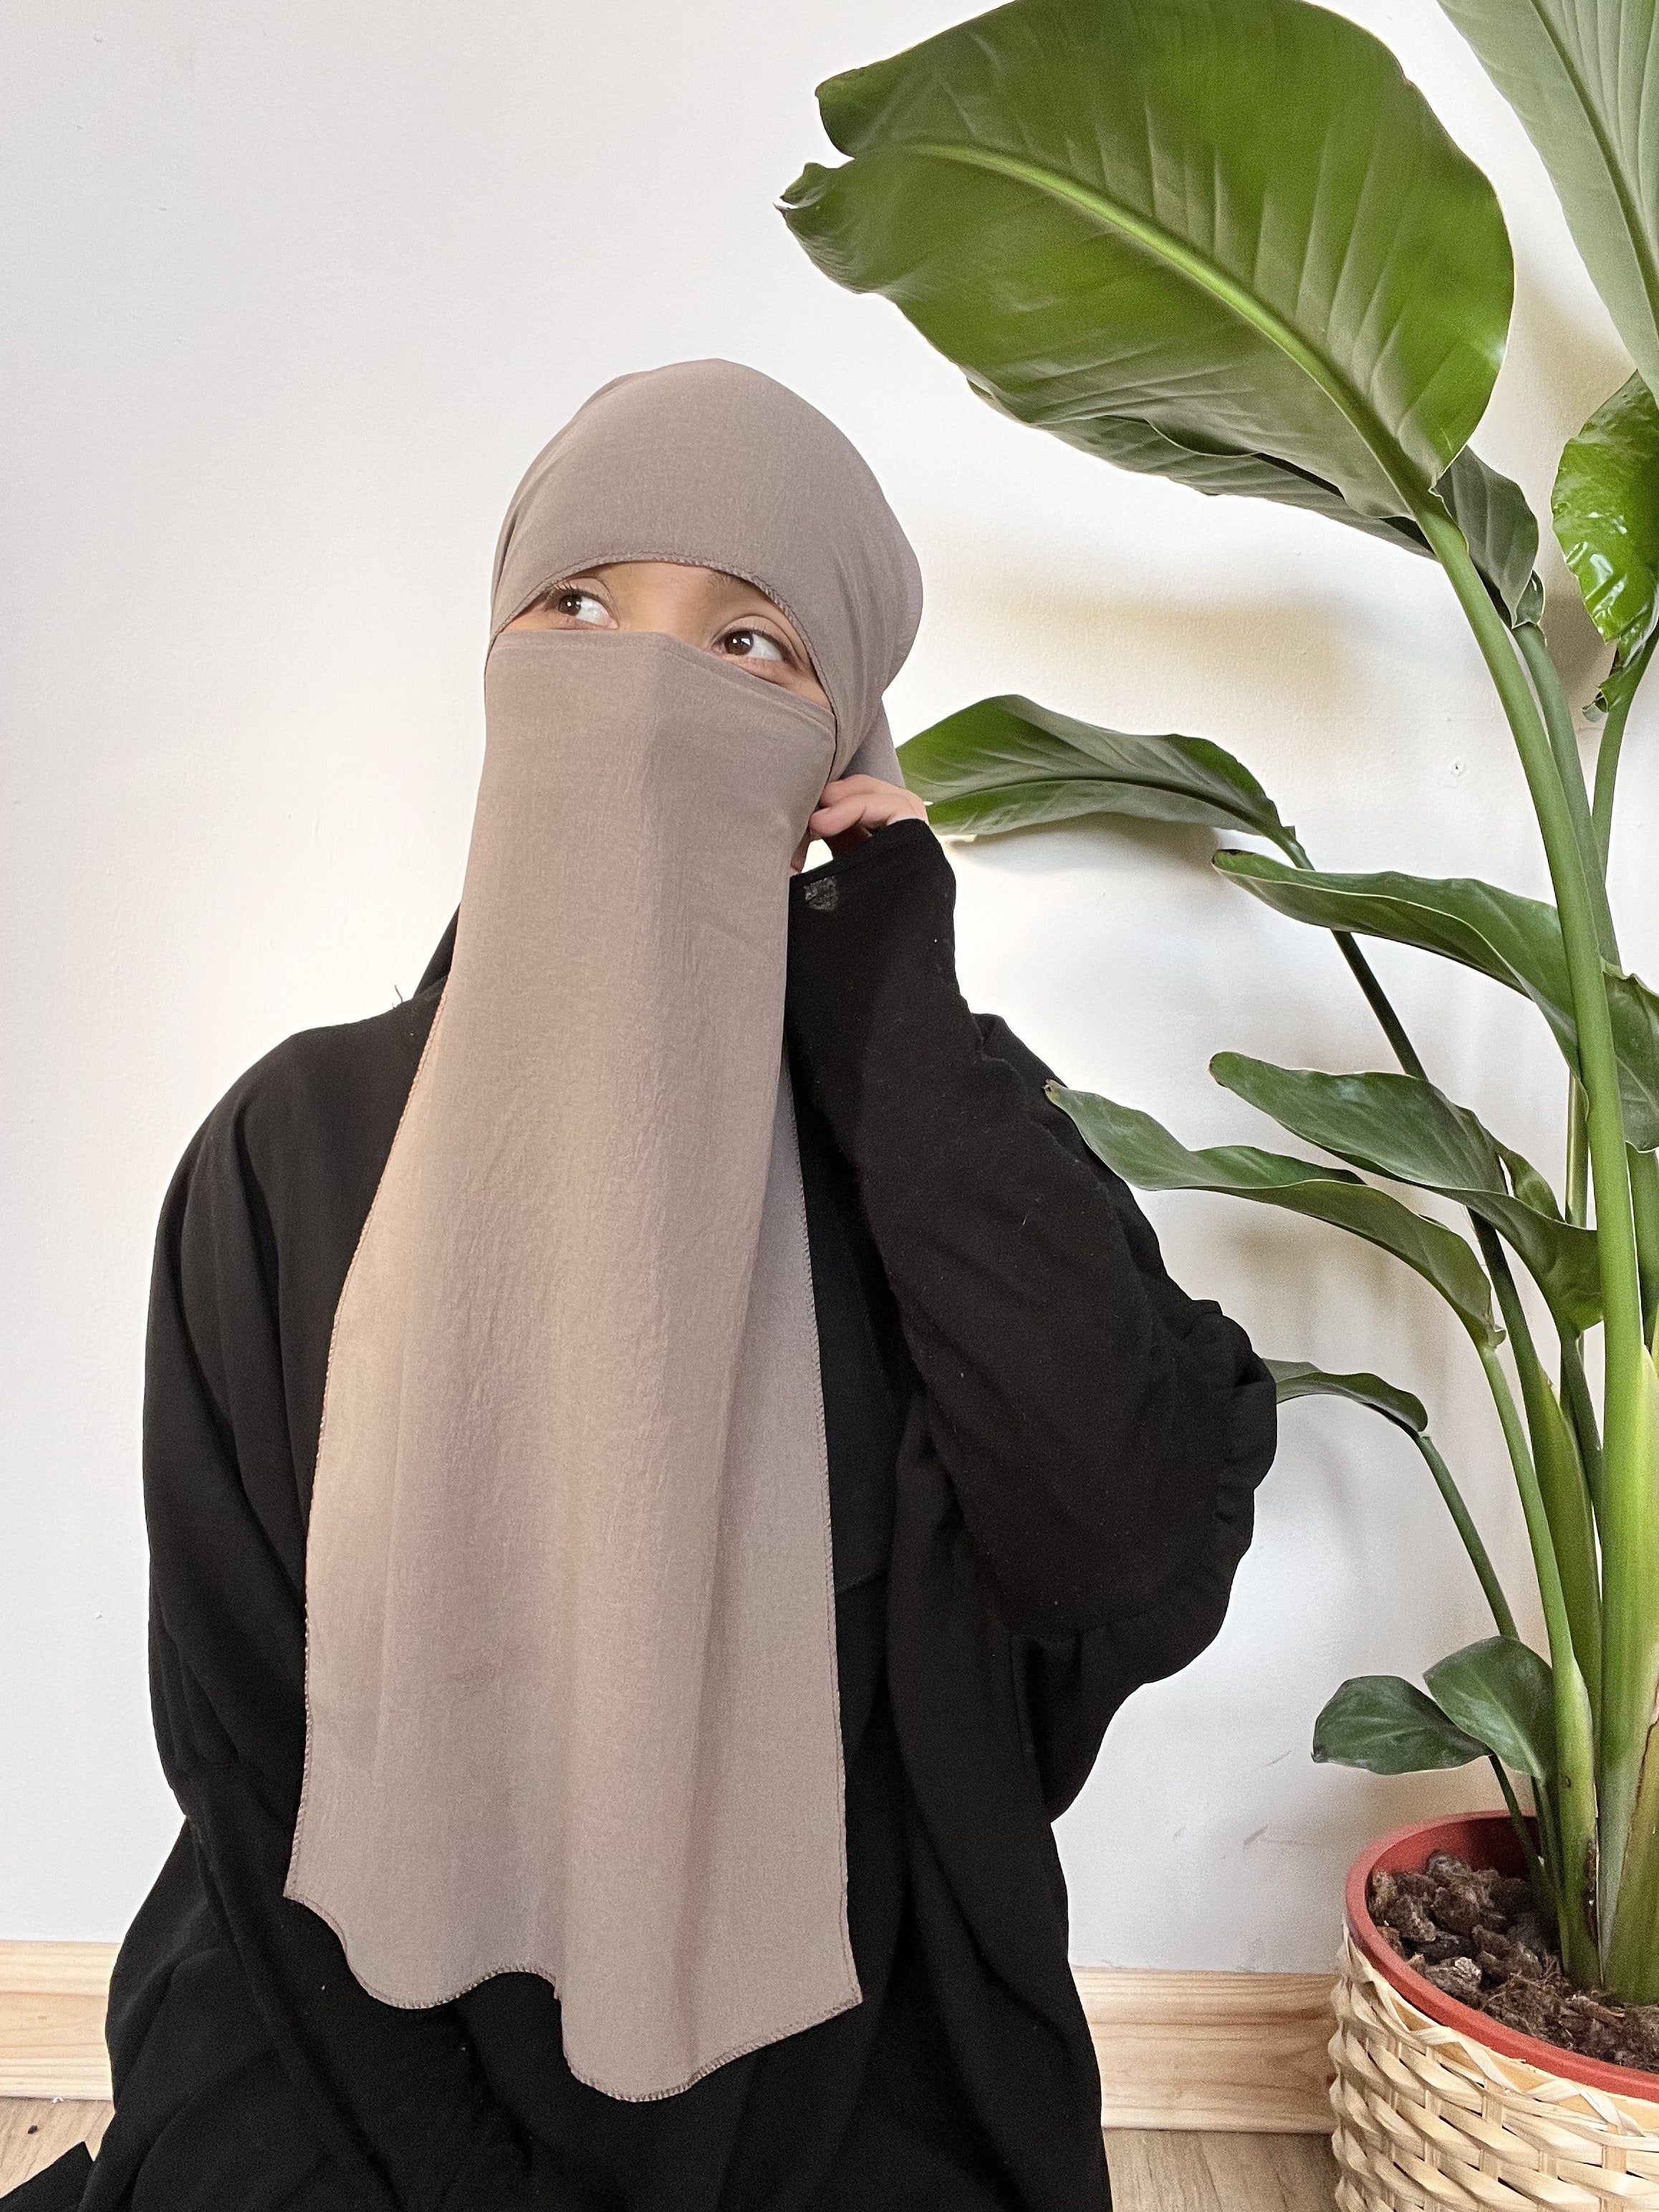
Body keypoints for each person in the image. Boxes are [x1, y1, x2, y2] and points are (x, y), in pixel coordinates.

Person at [13, 361, 1275, 2212]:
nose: (644, 687)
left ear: (845, 743)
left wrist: (898, 1013)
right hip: (349, 2044)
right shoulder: (293, 1150)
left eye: (749, 646)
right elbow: (245, 1747)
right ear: (498, 663)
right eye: (578, 610)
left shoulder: (928, 1170)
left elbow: (1121, 1546)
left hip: (839, 2059)